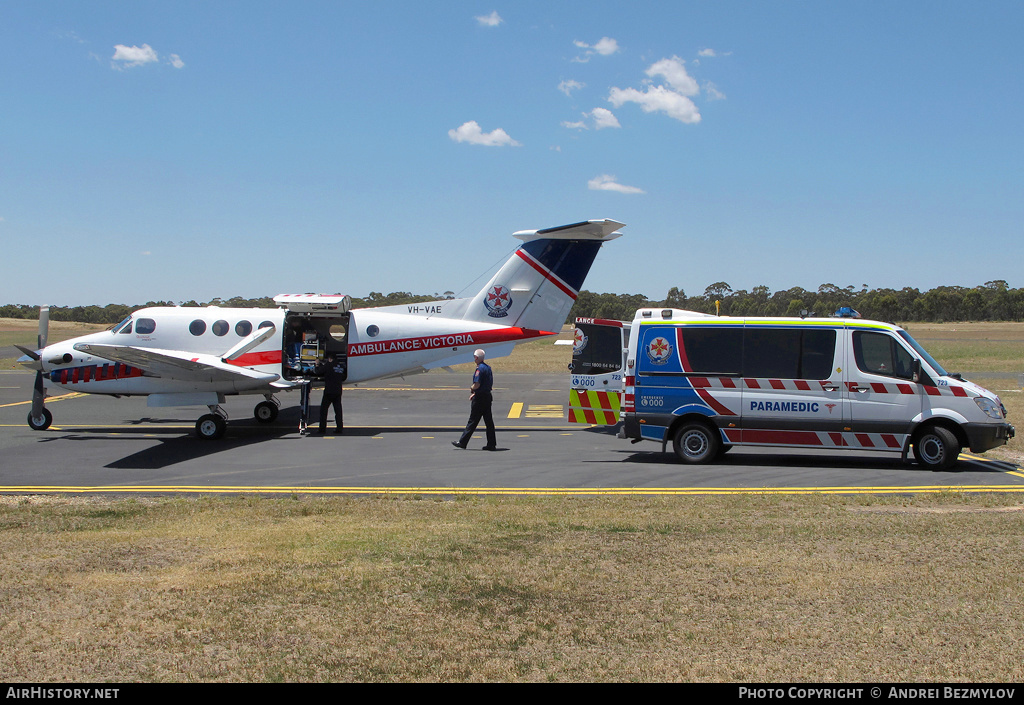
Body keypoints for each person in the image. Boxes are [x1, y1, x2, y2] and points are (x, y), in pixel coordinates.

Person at [452, 348, 497, 450]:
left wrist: (472, 389)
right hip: (487, 396)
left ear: (476, 357)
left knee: (472, 421)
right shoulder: (487, 368)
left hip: (480, 399)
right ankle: (491, 443)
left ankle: (463, 442)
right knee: (489, 422)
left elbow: (477, 384)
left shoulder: (479, 369)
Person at [313, 352, 346, 435]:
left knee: (323, 411)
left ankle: (322, 429)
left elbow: (318, 372)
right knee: (338, 411)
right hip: (338, 391)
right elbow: (344, 376)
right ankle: (339, 428)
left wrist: (317, 364)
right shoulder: (341, 367)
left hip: (329, 391)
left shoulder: (328, 365)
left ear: (330, 359)